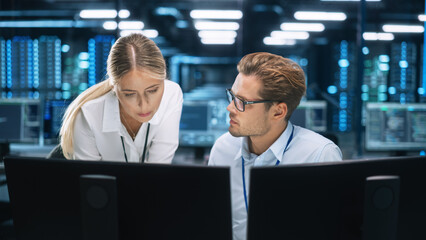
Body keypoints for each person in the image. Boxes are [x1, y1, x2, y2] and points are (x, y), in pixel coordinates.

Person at [208, 52, 342, 240]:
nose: (230, 108)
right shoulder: (223, 148)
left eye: (242, 102)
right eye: (232, 96)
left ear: (278, 112)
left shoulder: (319, 155)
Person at [60, 33, 183, 163]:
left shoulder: (171, 94)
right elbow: (93, 179)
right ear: (114, 87)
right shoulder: (88, 115)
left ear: (163, 79)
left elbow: (159, 169)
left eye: (152, 91)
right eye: (130, 94)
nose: (144, 105)